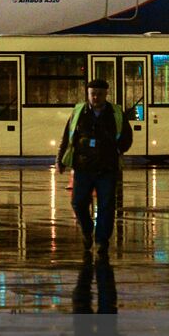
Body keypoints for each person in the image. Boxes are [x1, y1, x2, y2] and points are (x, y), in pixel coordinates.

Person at [56, 78, 132, 257]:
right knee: (78, 202)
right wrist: (60, 160)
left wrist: (117, 150)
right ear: (88, 94)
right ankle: (87, 229)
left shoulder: (116, 113)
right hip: (83, 167)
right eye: (92, 94)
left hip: (107, 168)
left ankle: (101, 241)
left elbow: (127, 137)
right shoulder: (78, 112)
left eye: (99, 94)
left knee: (106, 206)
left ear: (106, 94)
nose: (95, 97)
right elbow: (67, 136)